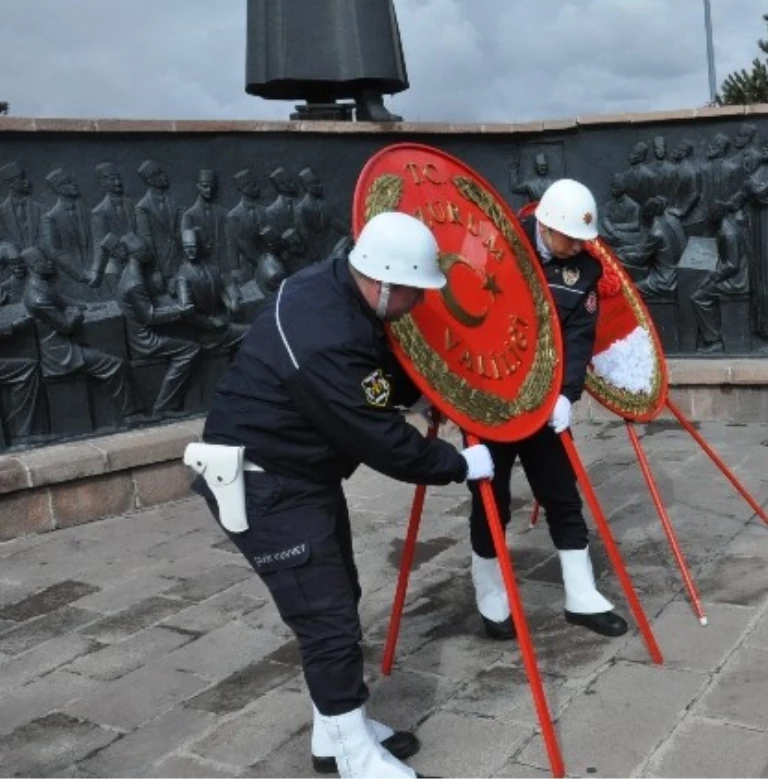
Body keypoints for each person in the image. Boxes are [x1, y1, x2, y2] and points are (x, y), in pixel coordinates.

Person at [187, 212, 493, 779]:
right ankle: (355, 759)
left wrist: (418, 394)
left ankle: (336, 733)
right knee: (324, 614)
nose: (418, 305)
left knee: (339, 592)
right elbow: (376, 437)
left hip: (301, 473)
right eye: (413, 294)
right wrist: (459, 465)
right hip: (261, 483)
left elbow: (373, 373)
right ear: (381, 283)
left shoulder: (335, 287)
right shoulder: (324, 332)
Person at [467, 179, 629, 642]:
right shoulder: (496, 241)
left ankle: (581, 595)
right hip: (489, 398)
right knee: (490, 498)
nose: (577, 246)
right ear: (545, 225)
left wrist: (567, 395)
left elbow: (577, 338)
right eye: (570, 238)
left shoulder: (584, 270)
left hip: (543, 400)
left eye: (583, 239)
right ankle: (491, 591)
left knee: (561, 492)